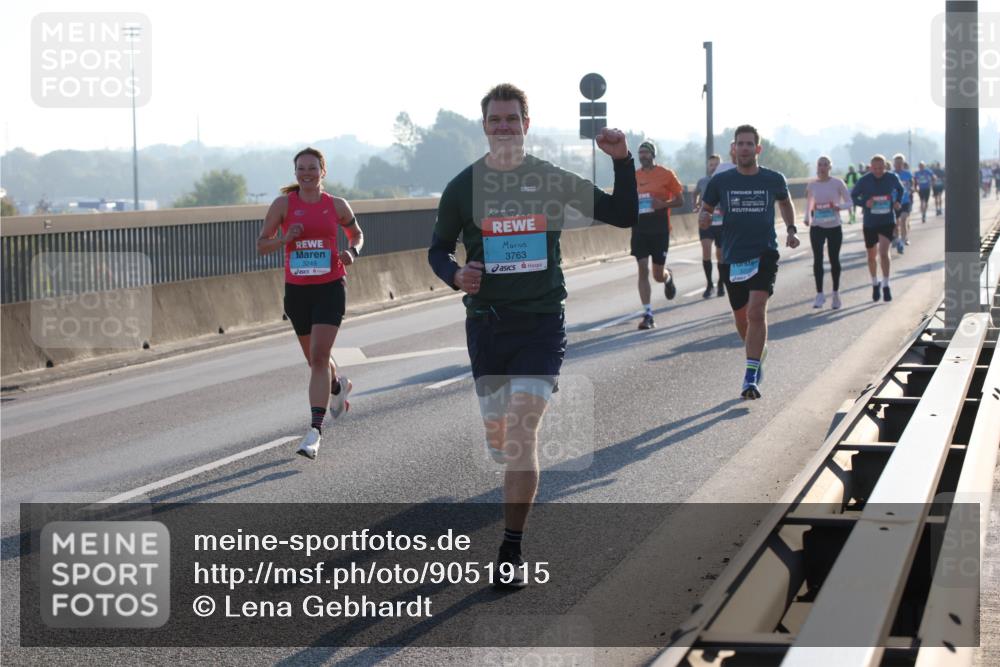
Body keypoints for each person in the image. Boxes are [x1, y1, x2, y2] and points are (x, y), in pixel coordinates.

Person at [428, 83, 637, 587]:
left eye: (512, 119)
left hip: (542, 322)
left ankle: (510, 549)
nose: (504, 127)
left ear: (527, 124)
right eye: (495, 120)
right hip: (487, 324)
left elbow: (623, 214)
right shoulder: (464, 186)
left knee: (522, 434)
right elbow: (438, 249)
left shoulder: (547, 178)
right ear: (485, 126)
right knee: (502, 438)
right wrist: (456, 276)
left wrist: (622, 160)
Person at [257, 147, 363, 460]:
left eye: (312, 168)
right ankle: (336, 388)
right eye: (301, 169)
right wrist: (284, 238)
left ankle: (314, 432)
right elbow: (262, 245)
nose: (307, 173)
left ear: (323, 172)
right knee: (315, 360)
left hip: (330, 286)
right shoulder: (282, 205)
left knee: (319, 358)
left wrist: (352, 252)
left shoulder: (337, 205)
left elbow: (357, 234)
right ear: (296, 173)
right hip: (297, 291)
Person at [699, 125, 799, 400]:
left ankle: (750, 376)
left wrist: (791, 229)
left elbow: (785, 202)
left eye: (749, 144)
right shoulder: (721, 182)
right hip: (733, 256)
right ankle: (758, 352)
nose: (744, 148)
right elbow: (705, 209)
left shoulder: (773, 178)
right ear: (734, 148)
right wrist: (704, 218)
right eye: (739, 143)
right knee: (742, 318)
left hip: (764, 252)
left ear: (758, 148)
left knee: (756, 312)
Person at [631, 140, 684, 329]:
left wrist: (664, 204)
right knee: (642, 268)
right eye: (640, 153)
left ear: (653, 155)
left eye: (646, 152)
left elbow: (680, 200)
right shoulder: (633, 175)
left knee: (657, 275)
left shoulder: (666, 174)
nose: (643, 156)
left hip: (659, 228)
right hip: (639, 228)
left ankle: (667, 277)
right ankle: (648, 314)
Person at [851, 154, 904, 303]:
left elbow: (901, 190)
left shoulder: (891, 178)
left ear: (885, 167)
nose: (878, 171)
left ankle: (886, 284)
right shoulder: (864, 180)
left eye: (881, 168)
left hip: (887, 219)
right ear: (871, 167)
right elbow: (853, 196)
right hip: (870, 222)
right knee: (871, 256)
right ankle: (875, 282)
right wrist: (864, 203)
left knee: (884, 253)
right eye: (875, 168)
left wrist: (897, 202)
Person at [805, 156, 852, 309]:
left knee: (834, 259)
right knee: (817, 259)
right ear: (817, 167)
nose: (822, 167)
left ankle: (836, 294)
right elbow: (810, 203)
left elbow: (850, 202)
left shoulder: (837, 183)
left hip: (834, 226)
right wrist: (807, 217)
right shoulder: (812, 185)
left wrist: (839, 207)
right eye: (820, 165)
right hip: (817, 226)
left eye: (825, 165)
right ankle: (819, 294)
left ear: (830, 167)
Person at [694, 154, 725, 298]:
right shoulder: (702, 181)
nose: (714, 167)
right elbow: (695, 193)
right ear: (708, 166)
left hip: (721, 222)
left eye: (717, 165)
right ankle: (709, 285)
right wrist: (696, 204)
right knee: (706, 251)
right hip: (706, 222)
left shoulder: (727, 181)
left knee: (721, 256)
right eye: (711, 164)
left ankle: (720, 283)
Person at [891, 154, 913, 253]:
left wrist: (912, 188)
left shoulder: (907, 174)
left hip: (905, 201)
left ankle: (903, 240)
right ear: (894, 164)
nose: (899, 165)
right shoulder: (891, 175)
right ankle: (897, 238)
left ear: (903, 164)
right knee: (895, 223)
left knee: (903, 220)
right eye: (897, 163)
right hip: (894, 202)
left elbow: (912, 183)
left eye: (900, 163)